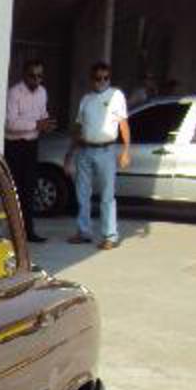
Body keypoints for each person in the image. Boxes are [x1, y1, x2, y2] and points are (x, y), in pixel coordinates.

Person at [66, 60, 131, 250]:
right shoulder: (86, 99)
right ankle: (84, 231)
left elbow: (123, 124)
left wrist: (126, 150)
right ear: (91, 79)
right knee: (82, 194)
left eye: (105, 78)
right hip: (85, 149)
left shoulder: (116, 95)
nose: (102, 81)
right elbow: (78, 127)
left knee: (107, 195)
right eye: (98, 78)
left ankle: (110, 235)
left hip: (106, 150)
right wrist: (69, 154)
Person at [5, 58, 55, 243]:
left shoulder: (42, 92)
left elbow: (42, 114)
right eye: (32, 76)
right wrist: (36, 124)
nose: (36, 80)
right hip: (15, 146)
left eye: (40, 76)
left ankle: (29, 231)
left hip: (32, 145)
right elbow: (10, 124)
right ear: (24, 75)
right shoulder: (14, 93)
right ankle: (13, 232)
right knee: (14, 190)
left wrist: (47, 123)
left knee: (29, 189)